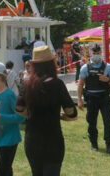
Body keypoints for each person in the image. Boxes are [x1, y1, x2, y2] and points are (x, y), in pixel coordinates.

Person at [16, 46, 77, 176]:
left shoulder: (26, 84)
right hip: (53, 140)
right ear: (51, 64)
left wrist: (29, 114)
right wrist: (64, 116)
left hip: (32, 139)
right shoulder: (57, 84)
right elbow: (71, 111)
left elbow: (19, 108)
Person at [77, 44, 110, 154]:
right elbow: (80, 84)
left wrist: (107, 79)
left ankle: (109, 145)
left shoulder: (108, 67)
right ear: (90, 54)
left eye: (98, 53)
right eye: (94, 53)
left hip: (104, 98)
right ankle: (94, 143)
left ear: (101, 53)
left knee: (107, 121)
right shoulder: (85, 68)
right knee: (91, 121)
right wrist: (79, 100)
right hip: (91, 99)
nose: (96, 55)